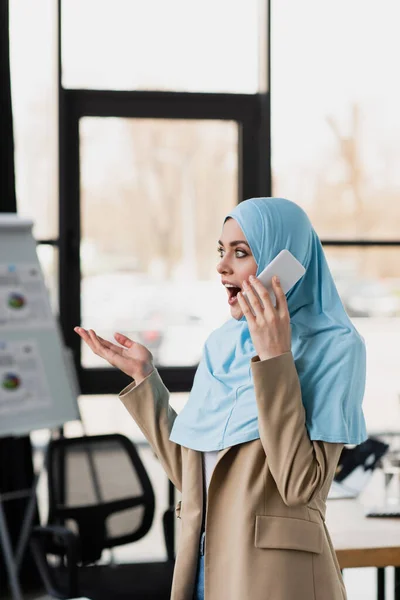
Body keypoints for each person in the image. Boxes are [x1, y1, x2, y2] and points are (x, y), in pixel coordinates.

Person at [75, 197, 367, 600]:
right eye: (221, 250)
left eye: (241, 252)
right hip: (202, 569)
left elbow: (302, 487)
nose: (222, 266)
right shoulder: (221, 346)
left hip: (277, 580)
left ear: (286, 262)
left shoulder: (336, 348)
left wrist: (275, 358)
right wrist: (145, 380)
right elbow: (191, 476)